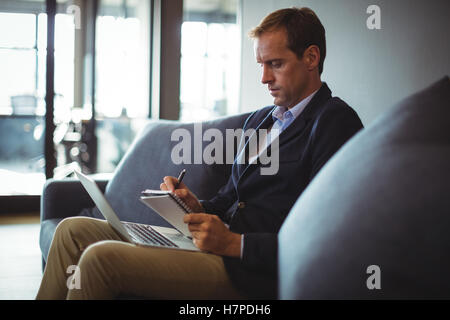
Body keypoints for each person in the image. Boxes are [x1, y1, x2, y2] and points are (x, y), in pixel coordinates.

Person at [36, 7, 363, 300]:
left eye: (275, 64)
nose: (264, 78)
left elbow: (330, 234)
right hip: (211, 247)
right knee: (71, 231)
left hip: (250, 271)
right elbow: (229, 197)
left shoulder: (334, 122)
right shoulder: (261, 119)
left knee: (99, 259)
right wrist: (195, 205)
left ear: (311, 58)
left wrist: (235, 244)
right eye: (261, 65)